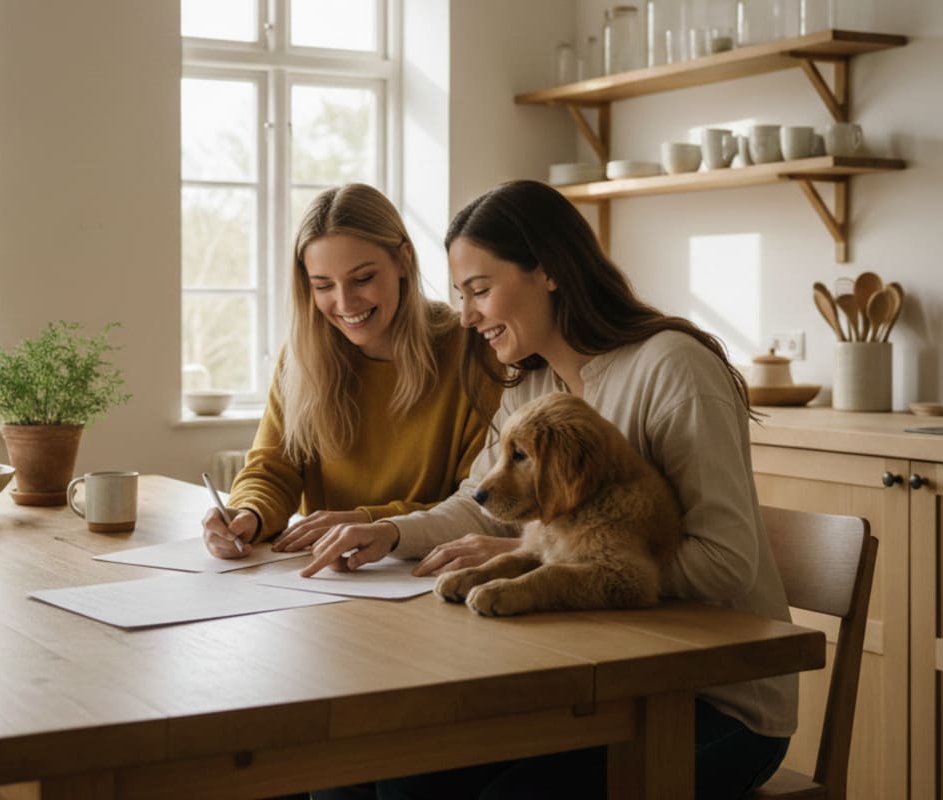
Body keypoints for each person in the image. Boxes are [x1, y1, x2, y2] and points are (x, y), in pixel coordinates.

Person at [302, 179, 795, 800]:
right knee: (382, 777)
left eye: (481, 290)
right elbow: (481, 506)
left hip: (712, 704)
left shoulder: (672, 369)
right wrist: (392, 531)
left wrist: (553, 562)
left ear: (550, 273)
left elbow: (725, 563)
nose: (468, 315)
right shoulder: (529, 385)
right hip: (594, 681)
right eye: (461, 294)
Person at [202, 183, 500, 559]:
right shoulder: (302, 357)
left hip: (427, 574)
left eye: (363, 279)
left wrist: (369, 522)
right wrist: (249, 514)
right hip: (324, 579)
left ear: (403, 259)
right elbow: (272, 468)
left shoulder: (471, 350)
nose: (345, 303)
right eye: (323, 285)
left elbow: (479, 502)